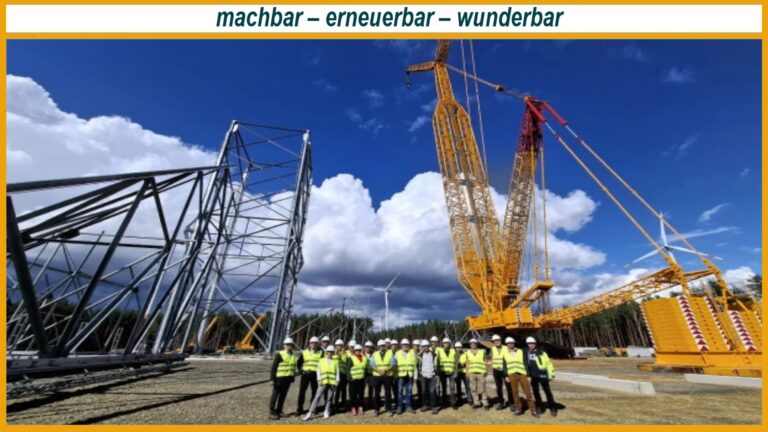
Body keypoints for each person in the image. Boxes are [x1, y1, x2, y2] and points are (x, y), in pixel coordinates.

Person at [503, 337, 539, 418]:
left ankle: (533, 410)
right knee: (515, 393)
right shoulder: (505, 353)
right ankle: (518, 409)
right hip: (511, 374)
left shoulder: (521, 351)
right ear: (507, 344)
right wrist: (506, 375)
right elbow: (504, 365)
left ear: (514, 343)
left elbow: (526, 363)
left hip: (522, 374)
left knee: (528, 392)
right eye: (508, 343)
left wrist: (528, 375)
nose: (510, 344)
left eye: (511, 342)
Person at [303, 346, 339, 421]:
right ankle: (310, 412)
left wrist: (337, 380)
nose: (330, 353)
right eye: (329, 352)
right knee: (317, 397)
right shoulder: (321, 361)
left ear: (333, 353)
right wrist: (319, 379)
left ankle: (326, 411)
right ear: (326, 352)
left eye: (331, 352)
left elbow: (337, 372)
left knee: (329, 398)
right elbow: (318, 371)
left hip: (332, 382)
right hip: (323, 382)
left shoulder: (335, 362)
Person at [525, 337, 558, 417]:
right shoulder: (526, 352)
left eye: (532, 343)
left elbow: (548, 364)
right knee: (536, 392)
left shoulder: (541, 352)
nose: (531, 345)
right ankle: (540, 406)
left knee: (547, 391)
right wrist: (528, 375)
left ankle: (552, 407)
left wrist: (551, 375)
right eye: (529, 344)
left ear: (535, 344)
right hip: (533, 376)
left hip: (542, 375)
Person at [268, 337, 299, 420]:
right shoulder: (280, 354)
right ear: (284, 345)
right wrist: (272, 379)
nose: (289, 346)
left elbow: (293, 367)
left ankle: (279, 410)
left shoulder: (294, 355)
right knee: (275, 395)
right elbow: (274, 367)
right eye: (287, 344)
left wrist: (293, 377)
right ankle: (272, 412)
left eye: (290, 345)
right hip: (279, 378)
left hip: (288, 379)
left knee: (283, 396)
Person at [296, 336, 323, 415]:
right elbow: (299, 362)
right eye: (312, 343)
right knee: (302, 392)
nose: (313, 344)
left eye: (315, 343)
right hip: (306, 374)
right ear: (309, 344)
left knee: (314, 392)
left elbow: (323, 363)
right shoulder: (305, 352)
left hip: (315, 374)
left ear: (318, 344)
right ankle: (299, 409)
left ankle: (312, 408)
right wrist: (301, 371)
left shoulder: (321, 352)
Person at [370, 339, 395, 416]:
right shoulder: (374, 354)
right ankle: (376, 409)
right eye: (380, 346)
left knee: (388, 393)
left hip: (387, 375)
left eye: (383, 345)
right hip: (377, 376)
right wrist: (379, 371)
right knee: (377, 393)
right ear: (378, 346)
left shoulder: (390, 352)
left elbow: (393, 363)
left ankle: (388, 409)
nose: (382, 347)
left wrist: (385, 370)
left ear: (385, 346)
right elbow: (372, 365)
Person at [466, 338, 490, 409]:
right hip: (472, 373)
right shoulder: (467, 352)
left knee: (482, 388)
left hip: (480, 373)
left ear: (477, 344)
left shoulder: (482, 352)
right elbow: (467, 363)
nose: (473, 344)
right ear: (470, 345)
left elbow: (486, 361)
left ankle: (485, 403)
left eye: (474, 343)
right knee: (473, 389)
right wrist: (467, 372)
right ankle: (476, 402)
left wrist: (486, 370)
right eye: (472, 343)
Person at [395, 338, 417, 414]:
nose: (405, 346)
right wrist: (395, 375)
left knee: (409, 392)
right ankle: (399, 407)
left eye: (407, 344)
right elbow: (394, 365)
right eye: (404, 344)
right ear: (401, 345)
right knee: (400, 392)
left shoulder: (412, 353)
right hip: (401, 376)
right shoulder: (397, 353)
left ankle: (409, 407)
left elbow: (415, 365)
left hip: (409, 376)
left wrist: (415, 376)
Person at [418, 339, 440, 414]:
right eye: (423, 346)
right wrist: (420, 374)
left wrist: (437, 374)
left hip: (432, 375)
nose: (425, 347)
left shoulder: (433, 354)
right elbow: (418, 364)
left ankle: (434, 407)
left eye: (426, 346)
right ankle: (425, 405)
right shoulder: (421, 355)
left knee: (432, 391)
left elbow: (437, 363)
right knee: (424, 391)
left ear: (429, 346)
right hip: (424, 375)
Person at [347, 344, 368, 415]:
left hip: (361, 379)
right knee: (353, 394)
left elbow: (365, 369)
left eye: (359, 350)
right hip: (353, 380)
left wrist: (365, 377)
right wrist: (349, 378)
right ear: (354, 351)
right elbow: (347, 369)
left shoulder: (364, 358)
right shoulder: (351, 358)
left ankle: (360, 407)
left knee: (361, 394)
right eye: (356, 350)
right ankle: (353, 407)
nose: (358, 351)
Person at [437, 337, 458, 409]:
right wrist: (438, 371)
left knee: (452, 388)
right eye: (445, 343)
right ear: (443, 344)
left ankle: (453, 403)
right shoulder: (440, 351)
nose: (446, 344)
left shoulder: (453, 351)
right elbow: (437, 362)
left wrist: (456, 372)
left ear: (449, 344)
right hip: (443, 372)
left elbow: (456, 362)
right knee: (444, 388)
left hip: (451, 372)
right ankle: (444, 403)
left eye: (447, 343)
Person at [489, 334, 508, 410]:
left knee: (508, 387)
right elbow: (491, 358)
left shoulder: (506, 348)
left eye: (498, 340)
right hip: (496, 370)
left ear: (501, 340)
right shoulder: (492, 349)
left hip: (505, 370)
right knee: (498, 387)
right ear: (493, 342)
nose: (497, 342)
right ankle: (501, 402)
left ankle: (511, 403)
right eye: (495, 341)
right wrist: (491, 363)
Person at [455, 342, 474, 407]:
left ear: (461, 348)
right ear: (455, 348)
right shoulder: (454, 354)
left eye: (460, 347)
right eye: (457, 347)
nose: (458, 348)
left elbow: (468, 362)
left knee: (467, 386)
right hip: (457, 372)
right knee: (458, 387)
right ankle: (459, 400)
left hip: (465, 372)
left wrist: (466, 370)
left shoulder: (465, 354)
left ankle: (470, 399)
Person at [332, 339, 349, 413]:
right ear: (336, 346)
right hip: (336, 375)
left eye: (341, 345)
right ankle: (335, 405)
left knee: (343, 390)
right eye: (338, 345)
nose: (340, 347)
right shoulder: (332, 353)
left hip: (343, 374)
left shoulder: (346, 354)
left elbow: (347, 363)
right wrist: (336, 355)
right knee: (337, 390)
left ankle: (343, 404)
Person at [364, 341, 376, 410]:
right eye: (367, 347)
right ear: (365, 347)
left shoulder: (374, 354)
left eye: (369, 347)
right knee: (362, 389)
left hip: (371, 374)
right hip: (363, 374)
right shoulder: (362, 354)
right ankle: (361, 403)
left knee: (371, 388)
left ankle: (370, 402)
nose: (368, 348)